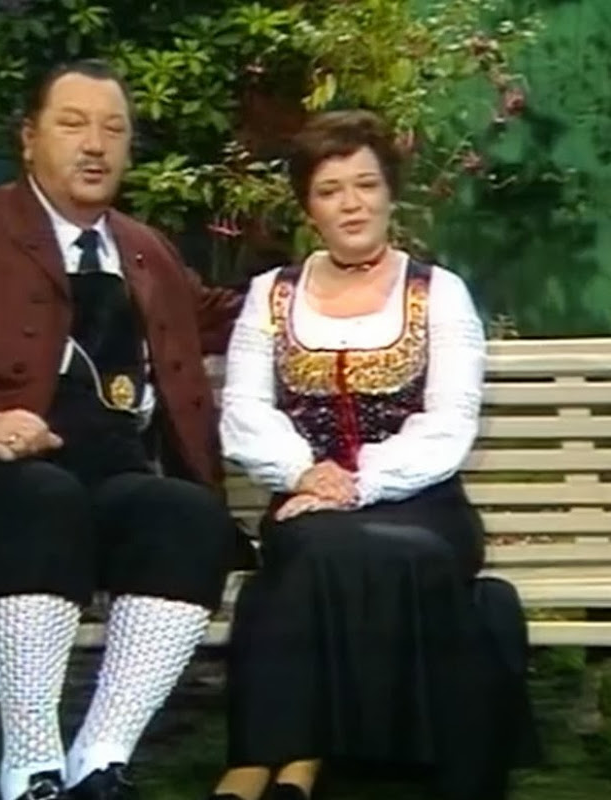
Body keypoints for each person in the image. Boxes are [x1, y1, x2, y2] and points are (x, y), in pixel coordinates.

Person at [0, 59, 243, 800]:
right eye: (73, 125)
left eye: (113, 130)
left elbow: (227, 315)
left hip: (101, 491)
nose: (94, 145)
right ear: (29, 138)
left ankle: (100, 760)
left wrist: (328, 285)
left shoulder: (147, 251)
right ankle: (32, 766)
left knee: (189, 516)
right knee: (43, 498)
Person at [209, 110, 537, 800]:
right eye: (330, 190)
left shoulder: (438, 293)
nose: (351, 204)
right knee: (310, 544)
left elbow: (449, 422)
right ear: (309, 207)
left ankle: (282, 758)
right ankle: (294, 762)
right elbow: (244, 411)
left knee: (354, 553)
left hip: (421, 502)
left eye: (365, 185)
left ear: (390, 194)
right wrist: (304, 473)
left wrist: (357, 484)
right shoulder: (272, 296)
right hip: (303, 494)